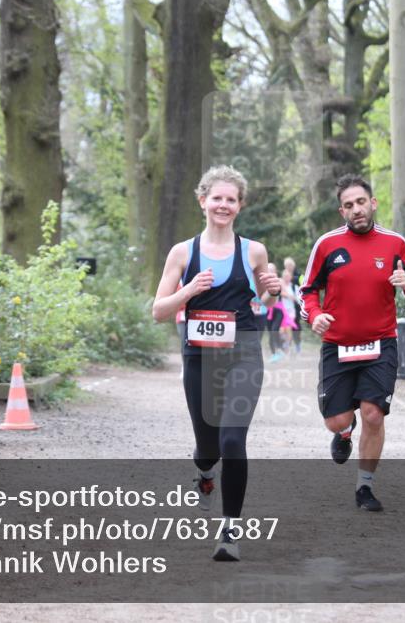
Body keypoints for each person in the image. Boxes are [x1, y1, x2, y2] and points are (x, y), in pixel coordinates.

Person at [152, 165, 281, 561]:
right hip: (199, 359)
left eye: (231, 199)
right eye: (217, 198)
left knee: (232, 441)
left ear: (240, 205)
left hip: (244, 355)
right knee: (209, 448)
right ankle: (205, 472)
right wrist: (189, 290)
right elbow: (158, 311)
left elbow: (264, 300)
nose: (223, 205)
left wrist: (273, 291)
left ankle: (229, 533)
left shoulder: (254, 251)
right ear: (202, 201)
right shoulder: (183, 252)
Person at [299, 175, 405, 512]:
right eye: (348, 205)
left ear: (373, 203)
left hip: (380, 344)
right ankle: (344, 433)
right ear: (341, 211)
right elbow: (307, 291)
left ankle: (364, 487)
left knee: (373, 414)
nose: (356, 209)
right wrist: (315, 315)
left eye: (360, 202)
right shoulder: (326, 245)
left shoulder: (394, 243)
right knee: (337, 420)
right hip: (338, 345)